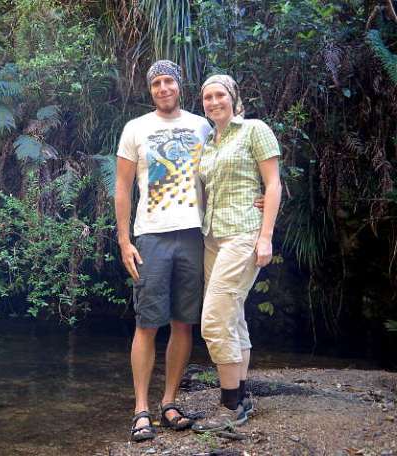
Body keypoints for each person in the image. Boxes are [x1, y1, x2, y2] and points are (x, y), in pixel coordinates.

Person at [115, 60, 212, 441]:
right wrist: (124, 241)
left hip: (193, 233)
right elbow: (122, 188)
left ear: (179, 85)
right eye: (156, 83)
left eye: (168, 80)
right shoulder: (136, 129)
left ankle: (169, 402)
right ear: (150, 90)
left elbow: (222, 168)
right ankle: (141, 409)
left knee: (184, 322)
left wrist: (254, 199)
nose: (162, 88)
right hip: (151, 236)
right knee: (147, 322)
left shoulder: (201, 125)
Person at [191, 74, 281, 433]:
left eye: (219, 95)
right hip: (213, 237)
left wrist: (266, 237)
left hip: (243, 234)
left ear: (233, 97)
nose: (213, 102)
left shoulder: (254, 129)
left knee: (213, 320)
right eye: (207, 97)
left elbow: (273, 183)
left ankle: (229, 406)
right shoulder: (208, 142)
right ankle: (242, 396)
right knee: (232, 316)